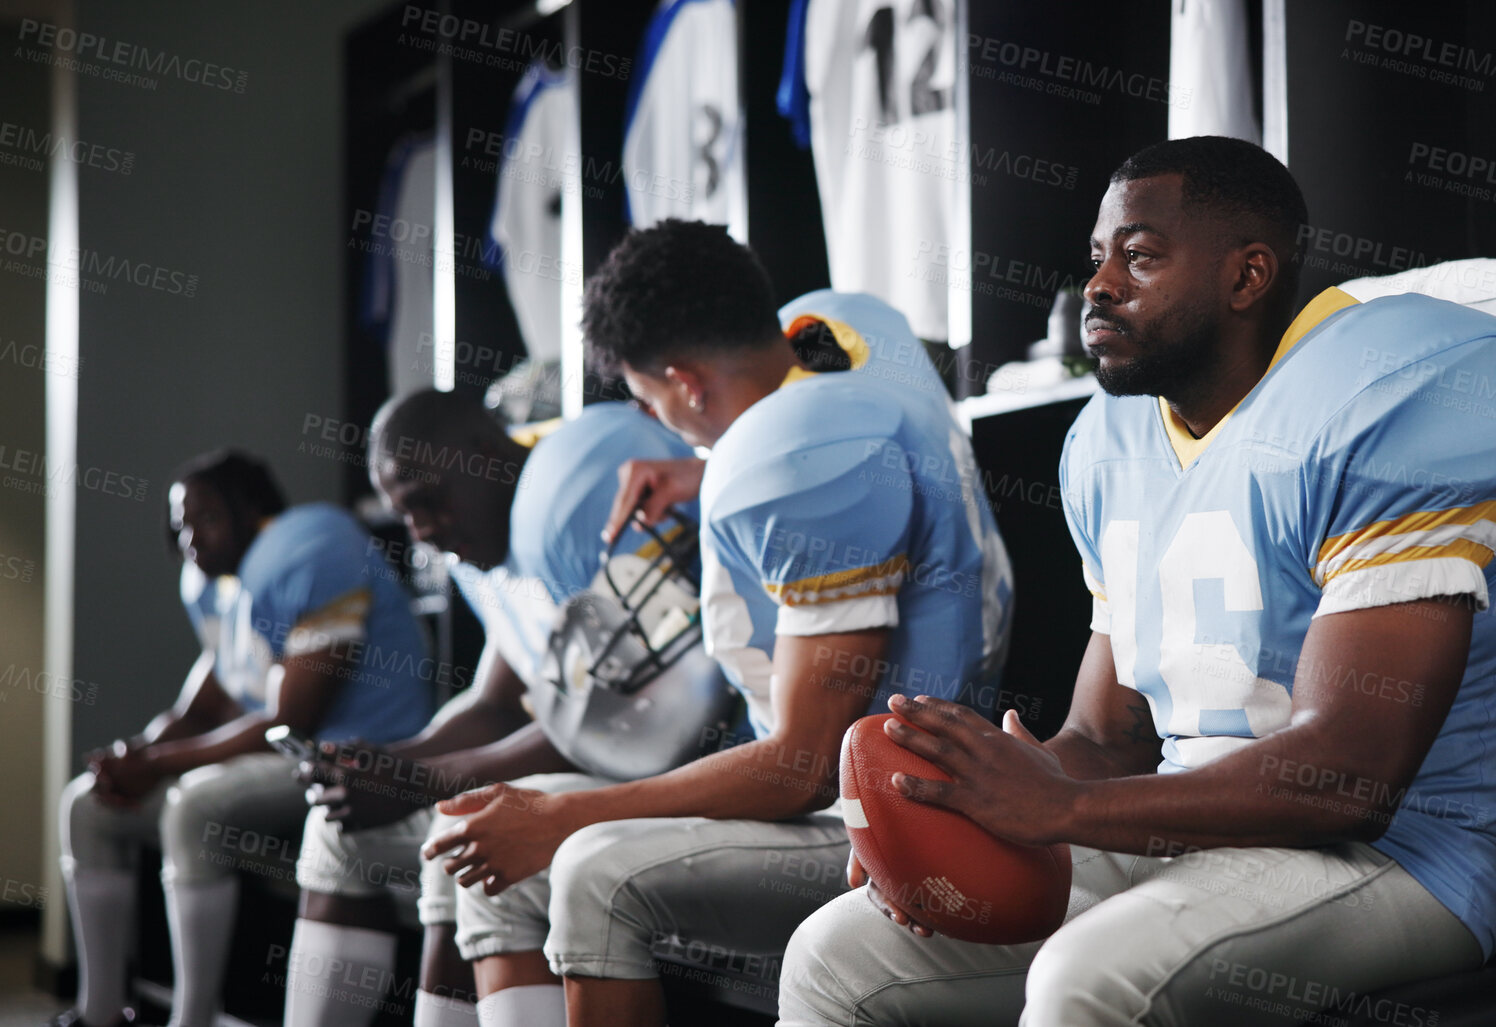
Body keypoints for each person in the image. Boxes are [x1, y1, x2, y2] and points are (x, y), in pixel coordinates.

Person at [777, 135, 1496, 1026]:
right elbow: (1106, 739)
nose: (1099, 285)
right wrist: (947, 810)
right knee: (833, 955)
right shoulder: (1110, 442)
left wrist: (1061, 803)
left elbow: (1351, 779)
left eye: (1138, 257)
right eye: (1097, 257)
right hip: (1167, 834)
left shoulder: (1391, 384)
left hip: (1393, 863)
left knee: (1086, 978)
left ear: (1246, 276)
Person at [417, 219, 1013, 1027]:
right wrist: (704, 468)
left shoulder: (793, 458)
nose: (655, 421)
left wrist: (562, 815)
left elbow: (801, 765)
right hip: (888, 760)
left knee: (589, 867)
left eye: (651, 398)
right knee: (483, 838)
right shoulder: (841, 325)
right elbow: (831, 422)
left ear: (687, 383)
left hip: (889, 813)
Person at [280, 390, 722, 1027]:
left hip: (655, 768)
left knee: (463, 840)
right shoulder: (477, 546)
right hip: (573, 767)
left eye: (429, 500)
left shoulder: (577, 507)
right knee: (337, 829)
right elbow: (495, 702)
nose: (424, 531)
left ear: (483, 455)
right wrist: (382, 764)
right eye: (406, 515)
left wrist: (428, 780)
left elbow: (622, 719)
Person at [55, 450, 434, 1027]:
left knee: (195, 804)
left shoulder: (310, 545)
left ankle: (194, 1017)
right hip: (278, 752)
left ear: (251, 509)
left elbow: (291, 721)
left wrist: (158, 762)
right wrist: (135, 754)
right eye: (180, 523)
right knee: (88, 803)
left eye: (205, 518)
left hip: (350, 754)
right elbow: (203, 702)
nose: (189, 537)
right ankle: (100, 1011)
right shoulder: (223, 585)